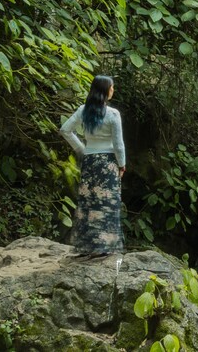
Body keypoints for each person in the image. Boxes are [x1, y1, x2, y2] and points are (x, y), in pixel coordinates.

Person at [60, 75, 126, 257]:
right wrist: (122, 164)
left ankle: (87, 245)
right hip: (108, 162)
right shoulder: (113, 114)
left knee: (88, 201)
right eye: (111, 87)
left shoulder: (83, 110)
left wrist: (81, 149)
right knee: (106, 202)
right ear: (105, 90)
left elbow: (65, 130)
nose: (113, 90)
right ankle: (104, 246)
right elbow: (118, 144)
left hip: (89, 161)